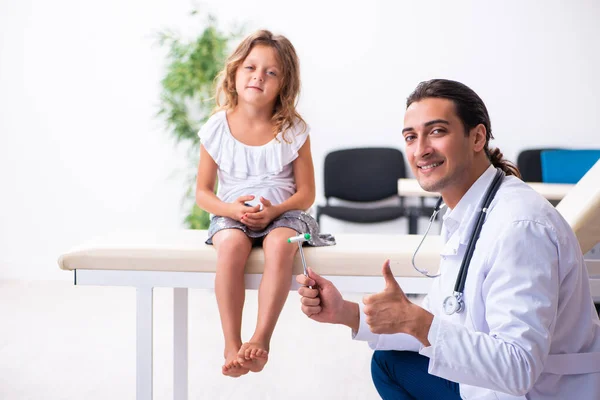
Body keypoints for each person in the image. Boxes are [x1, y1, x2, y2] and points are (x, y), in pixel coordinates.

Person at [297, 79, 600, 399]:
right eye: (411, 137)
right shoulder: (469, 211)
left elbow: (519, 366)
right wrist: (345, 312)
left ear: (477, 137)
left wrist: (419, 323)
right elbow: (444, 317)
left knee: (391, 365)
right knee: (388, 362)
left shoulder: (520, 228)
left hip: (539, 391)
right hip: (493, 381)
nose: (421, 149)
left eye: (437, 131)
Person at [196, 30, 333, 377]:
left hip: (283, 214)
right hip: (232, 215)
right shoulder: (216, 128)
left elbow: (306, 194)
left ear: (283, 85)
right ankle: (231, 343)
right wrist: (231, 211)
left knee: (280, 243)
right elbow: (202, 193)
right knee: (230, 245)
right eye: (250, 67)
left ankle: (261, 338)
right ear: (235, 73)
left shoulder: (293, 129)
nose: (258, 76)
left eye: (271, 72)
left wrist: (274, 211)